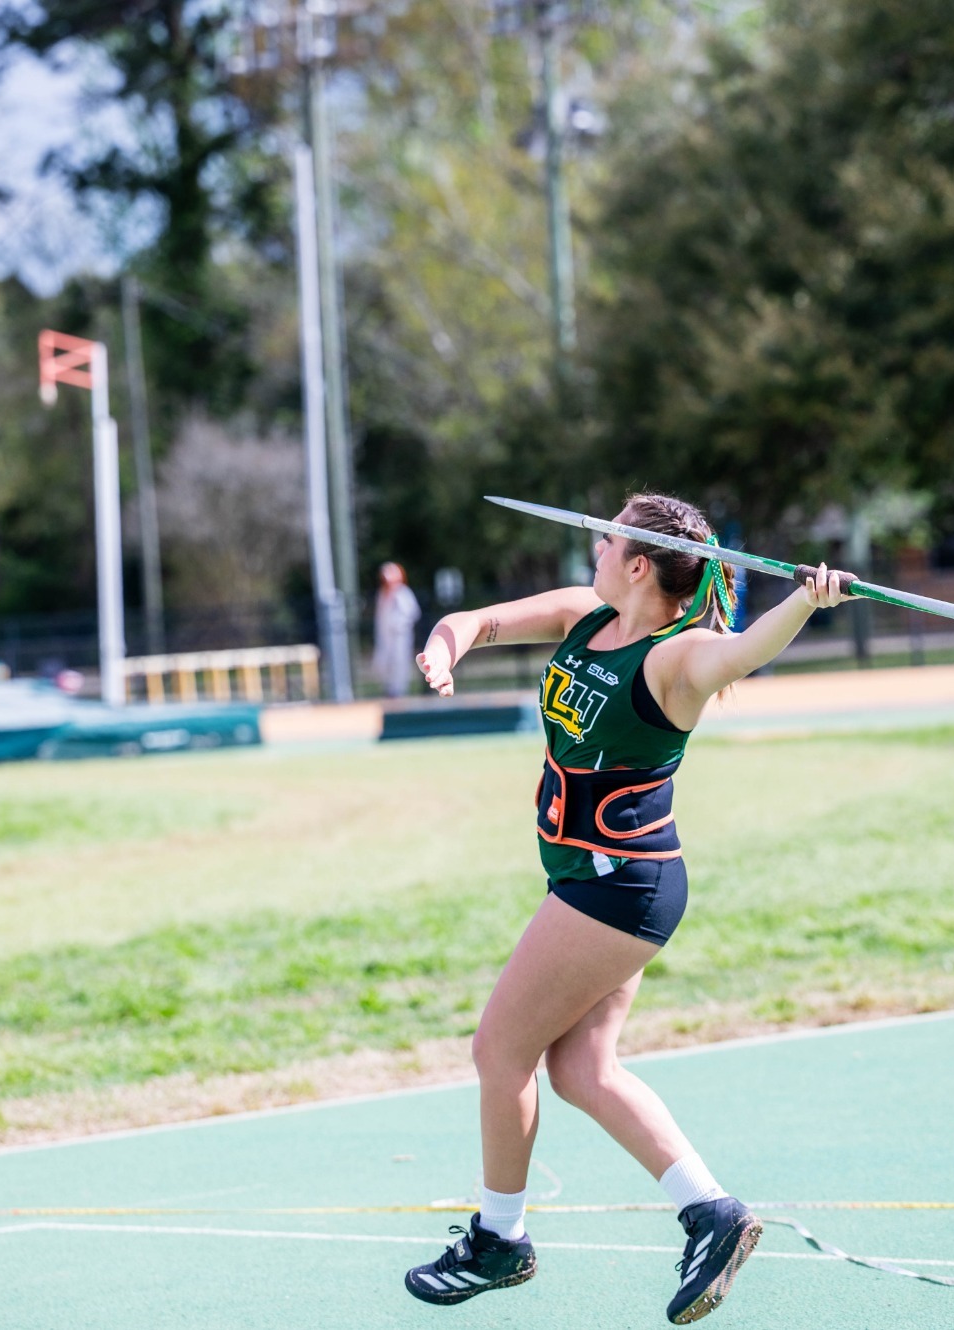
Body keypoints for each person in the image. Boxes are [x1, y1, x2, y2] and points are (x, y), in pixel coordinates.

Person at [403, 492, 852, 1324]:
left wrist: (807, 597)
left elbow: (746, 652)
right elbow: (480, 622)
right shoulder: (587, 616)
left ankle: (500, 1239)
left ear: (639, 561)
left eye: (607, 537)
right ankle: (711, 1212)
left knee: (501, 1049)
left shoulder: (677, 659)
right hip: (599, 880)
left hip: (618, 886)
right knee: (581, 1069)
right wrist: (446, 642)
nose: (596, 547)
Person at [373, 561, 423, 699]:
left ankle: (399, 691)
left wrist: (398, 625)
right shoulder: (382, 594)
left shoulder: (402, 593)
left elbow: (412, 613)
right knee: (383, 663)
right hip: (385, 637)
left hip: (399, 637)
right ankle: (389, 689)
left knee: (399, 663)